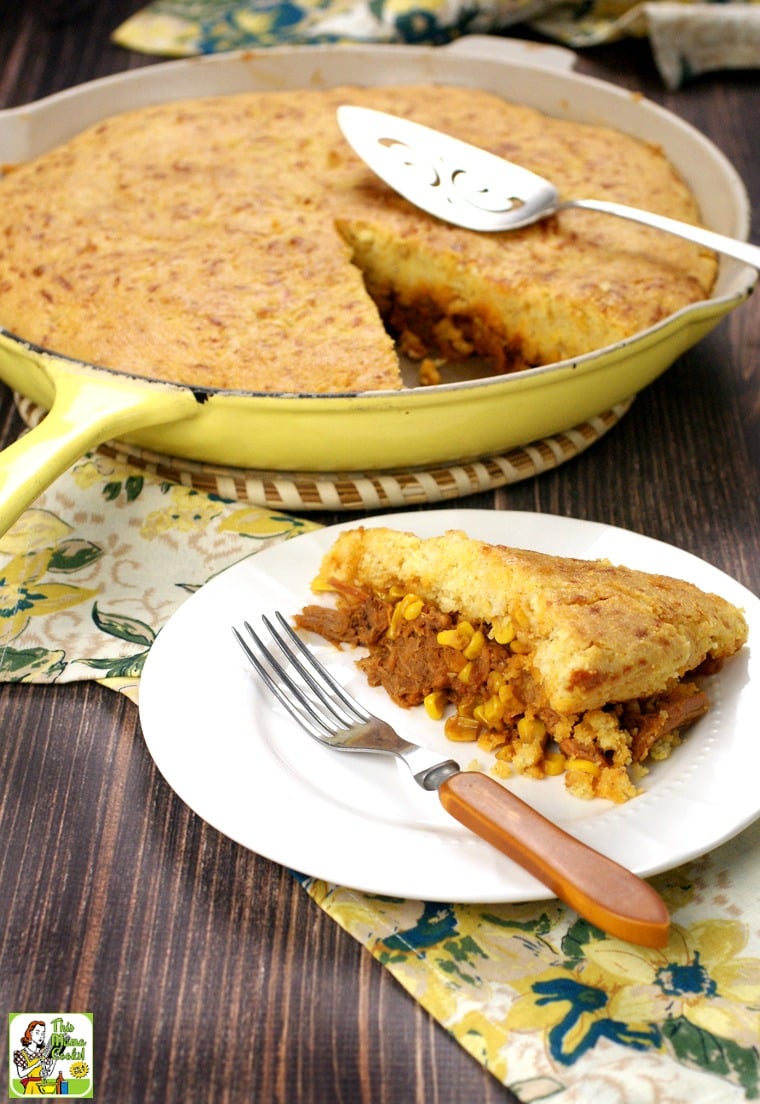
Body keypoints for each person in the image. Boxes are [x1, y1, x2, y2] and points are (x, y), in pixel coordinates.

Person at [12, 1021, 55, 1095]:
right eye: (37, 1032)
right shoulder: (20, 1054)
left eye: (43, 1033)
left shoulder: (43, 1053)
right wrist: (35, 1065)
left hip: (42, 1087)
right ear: (30, 1033)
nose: (41, 1036)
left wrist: (54, 1060)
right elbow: (21, 1074)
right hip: (30, 1087)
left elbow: (47, 1073)